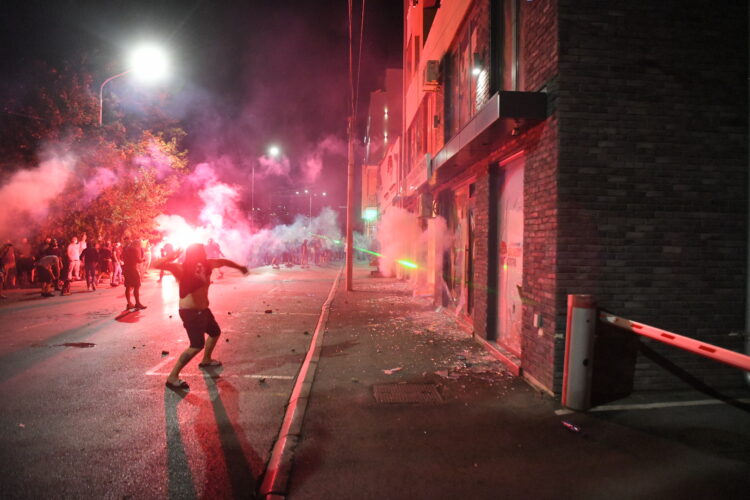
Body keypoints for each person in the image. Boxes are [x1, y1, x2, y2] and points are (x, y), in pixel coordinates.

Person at [155, 243, 248, 390]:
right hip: (190, 312)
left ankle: (206, 360)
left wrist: (240, 267)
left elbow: (223, 261)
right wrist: (170, 256)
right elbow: (154, 265)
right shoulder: (181, 268)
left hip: (203, 310)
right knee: (196, 345)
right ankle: (172, 377)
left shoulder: (206, 264)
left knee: (215, 332)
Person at [122, 237, 146, 310]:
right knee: (137, 285)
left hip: (126, 269)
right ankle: (137, 303)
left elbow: (122, 258)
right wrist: (143, 259)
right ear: (137, 244)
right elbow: (138, 260)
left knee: (128, 286)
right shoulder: (134, 250)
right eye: (139, 245)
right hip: (132, 269)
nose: (139, 247)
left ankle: (129, 303)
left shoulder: (125, 249)